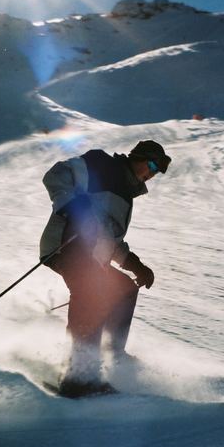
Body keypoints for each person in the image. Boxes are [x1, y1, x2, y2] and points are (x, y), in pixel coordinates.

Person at [40, 140, 172, 397]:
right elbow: (55, 175)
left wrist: (135, 265)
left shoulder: (125, 197)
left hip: (91, 257)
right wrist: (72, 206)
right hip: (66, 244)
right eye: (153, 164)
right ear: (138, 157)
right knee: (92, 291)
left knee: (123, 288)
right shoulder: (102, 165)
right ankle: (78, 375)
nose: (153, 172)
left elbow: (110, 240)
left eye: (157, 170)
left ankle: (113, 356)